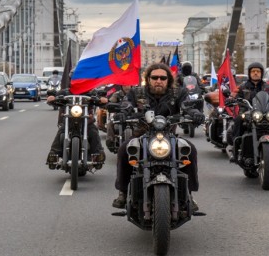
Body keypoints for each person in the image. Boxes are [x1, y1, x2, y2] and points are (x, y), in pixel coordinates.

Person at [112, 63, 204, 210]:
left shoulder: (178, 93)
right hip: (142, 134)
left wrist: (195, 114)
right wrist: (123, 112)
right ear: (148, 79)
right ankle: (122, 192)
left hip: (169, 135)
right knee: (124, 150)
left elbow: (187, 106)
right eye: (155, 77)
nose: (159, 80)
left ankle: (189, 193)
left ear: (168, 80)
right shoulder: (137, 92)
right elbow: (127, 104)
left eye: (163, 77)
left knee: (190, 150)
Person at [227, 62, 269, 158]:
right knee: (238, 120)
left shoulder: (268, 87)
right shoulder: (243, 87)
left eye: (258, 71)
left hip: (266, 112)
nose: (255, 73)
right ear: (249, 73)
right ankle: (236, 147)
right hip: (248, 112)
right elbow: (234, 94)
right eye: (253, 71)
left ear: (261, 73)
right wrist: (230, 99)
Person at [45, 80, 108, 169]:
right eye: (76, 79)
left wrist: (102, 99)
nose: (78, 81)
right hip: (69, 121)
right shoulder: (65, 92)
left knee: (93, 132)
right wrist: (52, 97)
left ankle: (98, 155)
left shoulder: (91, 92)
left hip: (87, 122)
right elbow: (54, 97)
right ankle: (53, 155)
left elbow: (100, 98)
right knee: (61, 132)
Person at [105, 84, 133, 151]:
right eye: (124, 85)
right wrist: (109, 104)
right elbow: (110, 102)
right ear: (121, 86)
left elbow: (142, 103)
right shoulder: (117, 94)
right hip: (119, 116)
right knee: (110, 124)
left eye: (128, 85)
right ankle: (111, 143)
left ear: (131, 86)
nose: (127, 86)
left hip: (133, 116)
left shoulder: (135, 94)